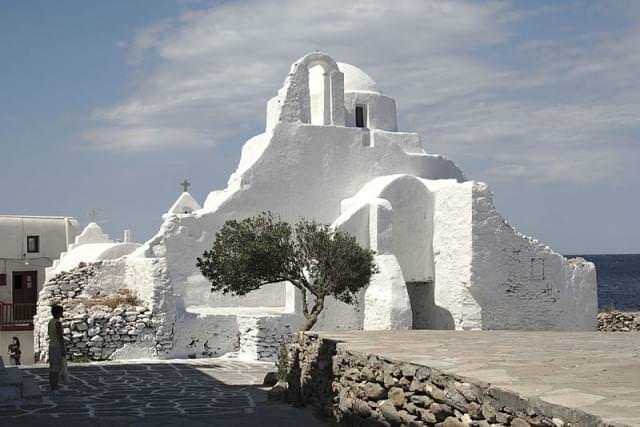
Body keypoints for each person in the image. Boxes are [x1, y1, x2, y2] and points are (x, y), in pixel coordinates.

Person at [48, 305, 65, 392]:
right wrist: (63, 349)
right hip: (57, 346)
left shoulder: (50, 322)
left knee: (52, 366)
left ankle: (52, 384)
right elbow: (60, 337)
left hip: (51, 345)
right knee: (56, 367)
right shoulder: (57, 323)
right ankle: (55, 385)